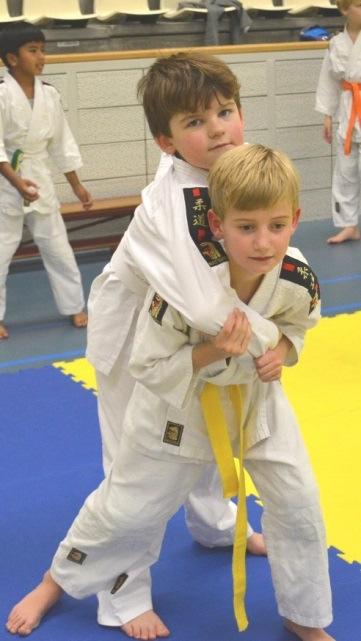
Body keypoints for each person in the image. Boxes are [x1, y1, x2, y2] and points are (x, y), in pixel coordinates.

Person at [6, 144, 334, 641]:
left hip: (256, 405)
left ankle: (304, 616)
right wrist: (210, 351)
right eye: (246, 227)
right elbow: (148, 365)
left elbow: (299, 325)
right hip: (175, 408)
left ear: (296, 219)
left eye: (277, 224)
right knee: (127, 509)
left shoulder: (297, 277)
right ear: (219, 225)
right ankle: (56, 580)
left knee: (300, 501)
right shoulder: (183, 287)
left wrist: (283, 350)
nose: (264, 242)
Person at [86, 53, 273, 633]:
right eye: (195, 122)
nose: (217, 127)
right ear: (167, 142)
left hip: (191, 340)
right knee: (132, 469)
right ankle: (120, 595)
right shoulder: (172, 204)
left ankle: (215, 523)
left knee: (204, 422)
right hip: (133, 347)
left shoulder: (230, 173)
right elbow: (203, 301)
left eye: (224, 111)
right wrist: (278, 338)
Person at [0, 22, 92, 339]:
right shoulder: (1, 95)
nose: (42, 56)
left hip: (39, 181)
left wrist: (76, 185)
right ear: (12, 58)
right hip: (6, 183)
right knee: (0, 253)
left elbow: (61, 143)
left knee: (58, 249)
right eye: (33, 50)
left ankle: (74, 306)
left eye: (43, 50)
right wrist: (15, 182)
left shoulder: (49, 95)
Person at [315, 0, 361, 244]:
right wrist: (327, 115)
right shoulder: (335, 43)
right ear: (344, 9)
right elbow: (328, 81)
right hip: (347, 110)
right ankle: (349, 225)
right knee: (345, 172)